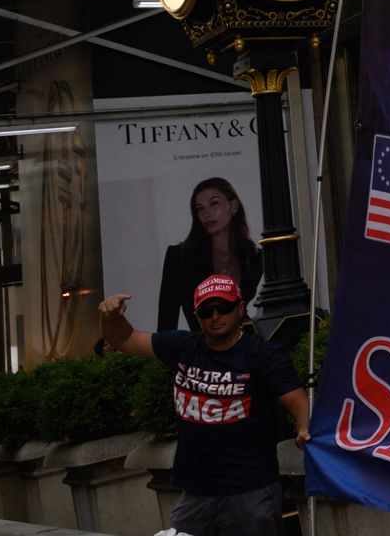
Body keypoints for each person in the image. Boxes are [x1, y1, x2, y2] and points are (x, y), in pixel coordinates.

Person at [101, 274, 306, 536]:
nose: (216, 316)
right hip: (196, 493)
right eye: (207, 311)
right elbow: (124, 340)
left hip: (250, 492)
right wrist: (110, 316)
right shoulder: (183, 346)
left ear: (241, 308)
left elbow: (296, 399)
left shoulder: (262, 355)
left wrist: (303, 428)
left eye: (225, 308)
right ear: (197, 316)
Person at [159, 177, 262, 331]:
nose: (206, 213)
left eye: (214, 203)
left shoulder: (254, 257)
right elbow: (166, 324)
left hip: (245, 347)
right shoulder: (179, 257)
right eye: (200, 208)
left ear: (233, 206)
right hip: (201, 349)